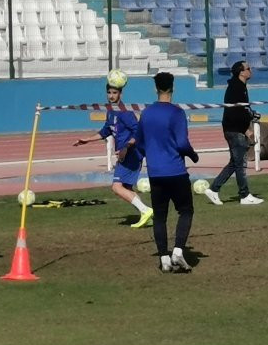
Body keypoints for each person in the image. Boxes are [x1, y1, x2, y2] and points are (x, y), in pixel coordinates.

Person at [137, 72, 200, 273]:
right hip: (175, 171)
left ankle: (164, 257)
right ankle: (178, 251)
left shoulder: (146, 113)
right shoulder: (177, 113)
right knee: (186, 210)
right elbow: (182, 143)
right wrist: (193, 155)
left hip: (155, 173)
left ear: (156, 89)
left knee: (160, 217)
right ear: (173, 88)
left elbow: (139, 143)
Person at [74, 77, 153, 228]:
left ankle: (146, 210)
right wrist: (87, 140)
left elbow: (138, 132)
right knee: (127, 189)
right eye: (109, 92)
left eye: (114, 93)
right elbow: (105, 131)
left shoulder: (125, 113)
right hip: (124, 155)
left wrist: (125, 148)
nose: (111, 96)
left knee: (116, 187)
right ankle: (147, 216)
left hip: (131, 154)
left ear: (120, 94)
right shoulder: (111, 112)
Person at [204, 60, 264, 206]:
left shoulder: (240, 87)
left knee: (234, 163)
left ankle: (213, 189)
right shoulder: (236, 87)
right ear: (241, 72)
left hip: (235, 129)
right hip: (233, 130)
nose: (251, 70)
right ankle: (244, 195)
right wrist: (249, 119)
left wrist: (248, 123)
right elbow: (236, 112)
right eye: (248, 68)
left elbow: (242, 110)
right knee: (240, 164)